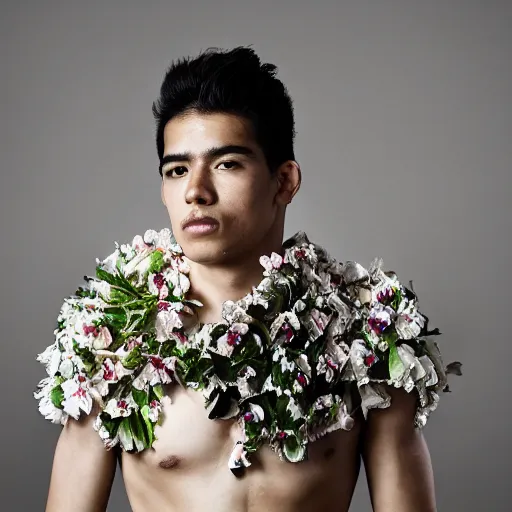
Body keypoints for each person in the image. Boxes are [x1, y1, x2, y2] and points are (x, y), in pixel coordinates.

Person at [35, 46, 459, 512]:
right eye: (177, 170)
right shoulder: (109, 337)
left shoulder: (367, 333)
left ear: (284, 182)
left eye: (226, 164)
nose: (196, 191)